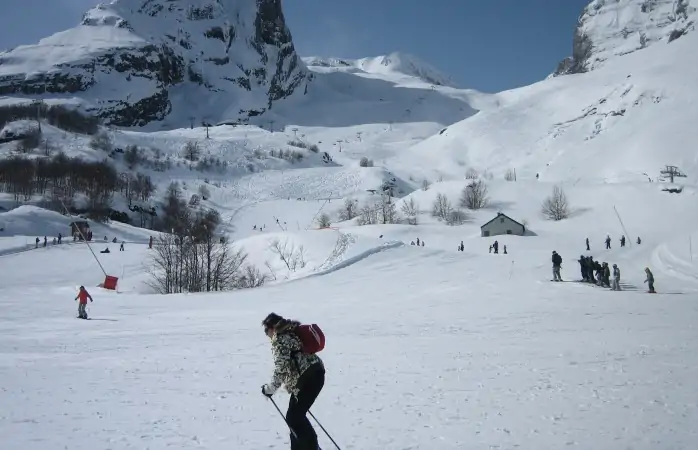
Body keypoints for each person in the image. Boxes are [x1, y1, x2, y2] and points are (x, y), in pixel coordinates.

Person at [261, 313, 325, 450]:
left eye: (266, 331)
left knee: (294, 418)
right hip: (312, 375)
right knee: (293, 418)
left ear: (273, 328)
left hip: (308, 378)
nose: (267, 334)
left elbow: (281, 369)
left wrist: (269, 389)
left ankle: (313, 447)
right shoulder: (290, 333)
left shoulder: (280, 339)